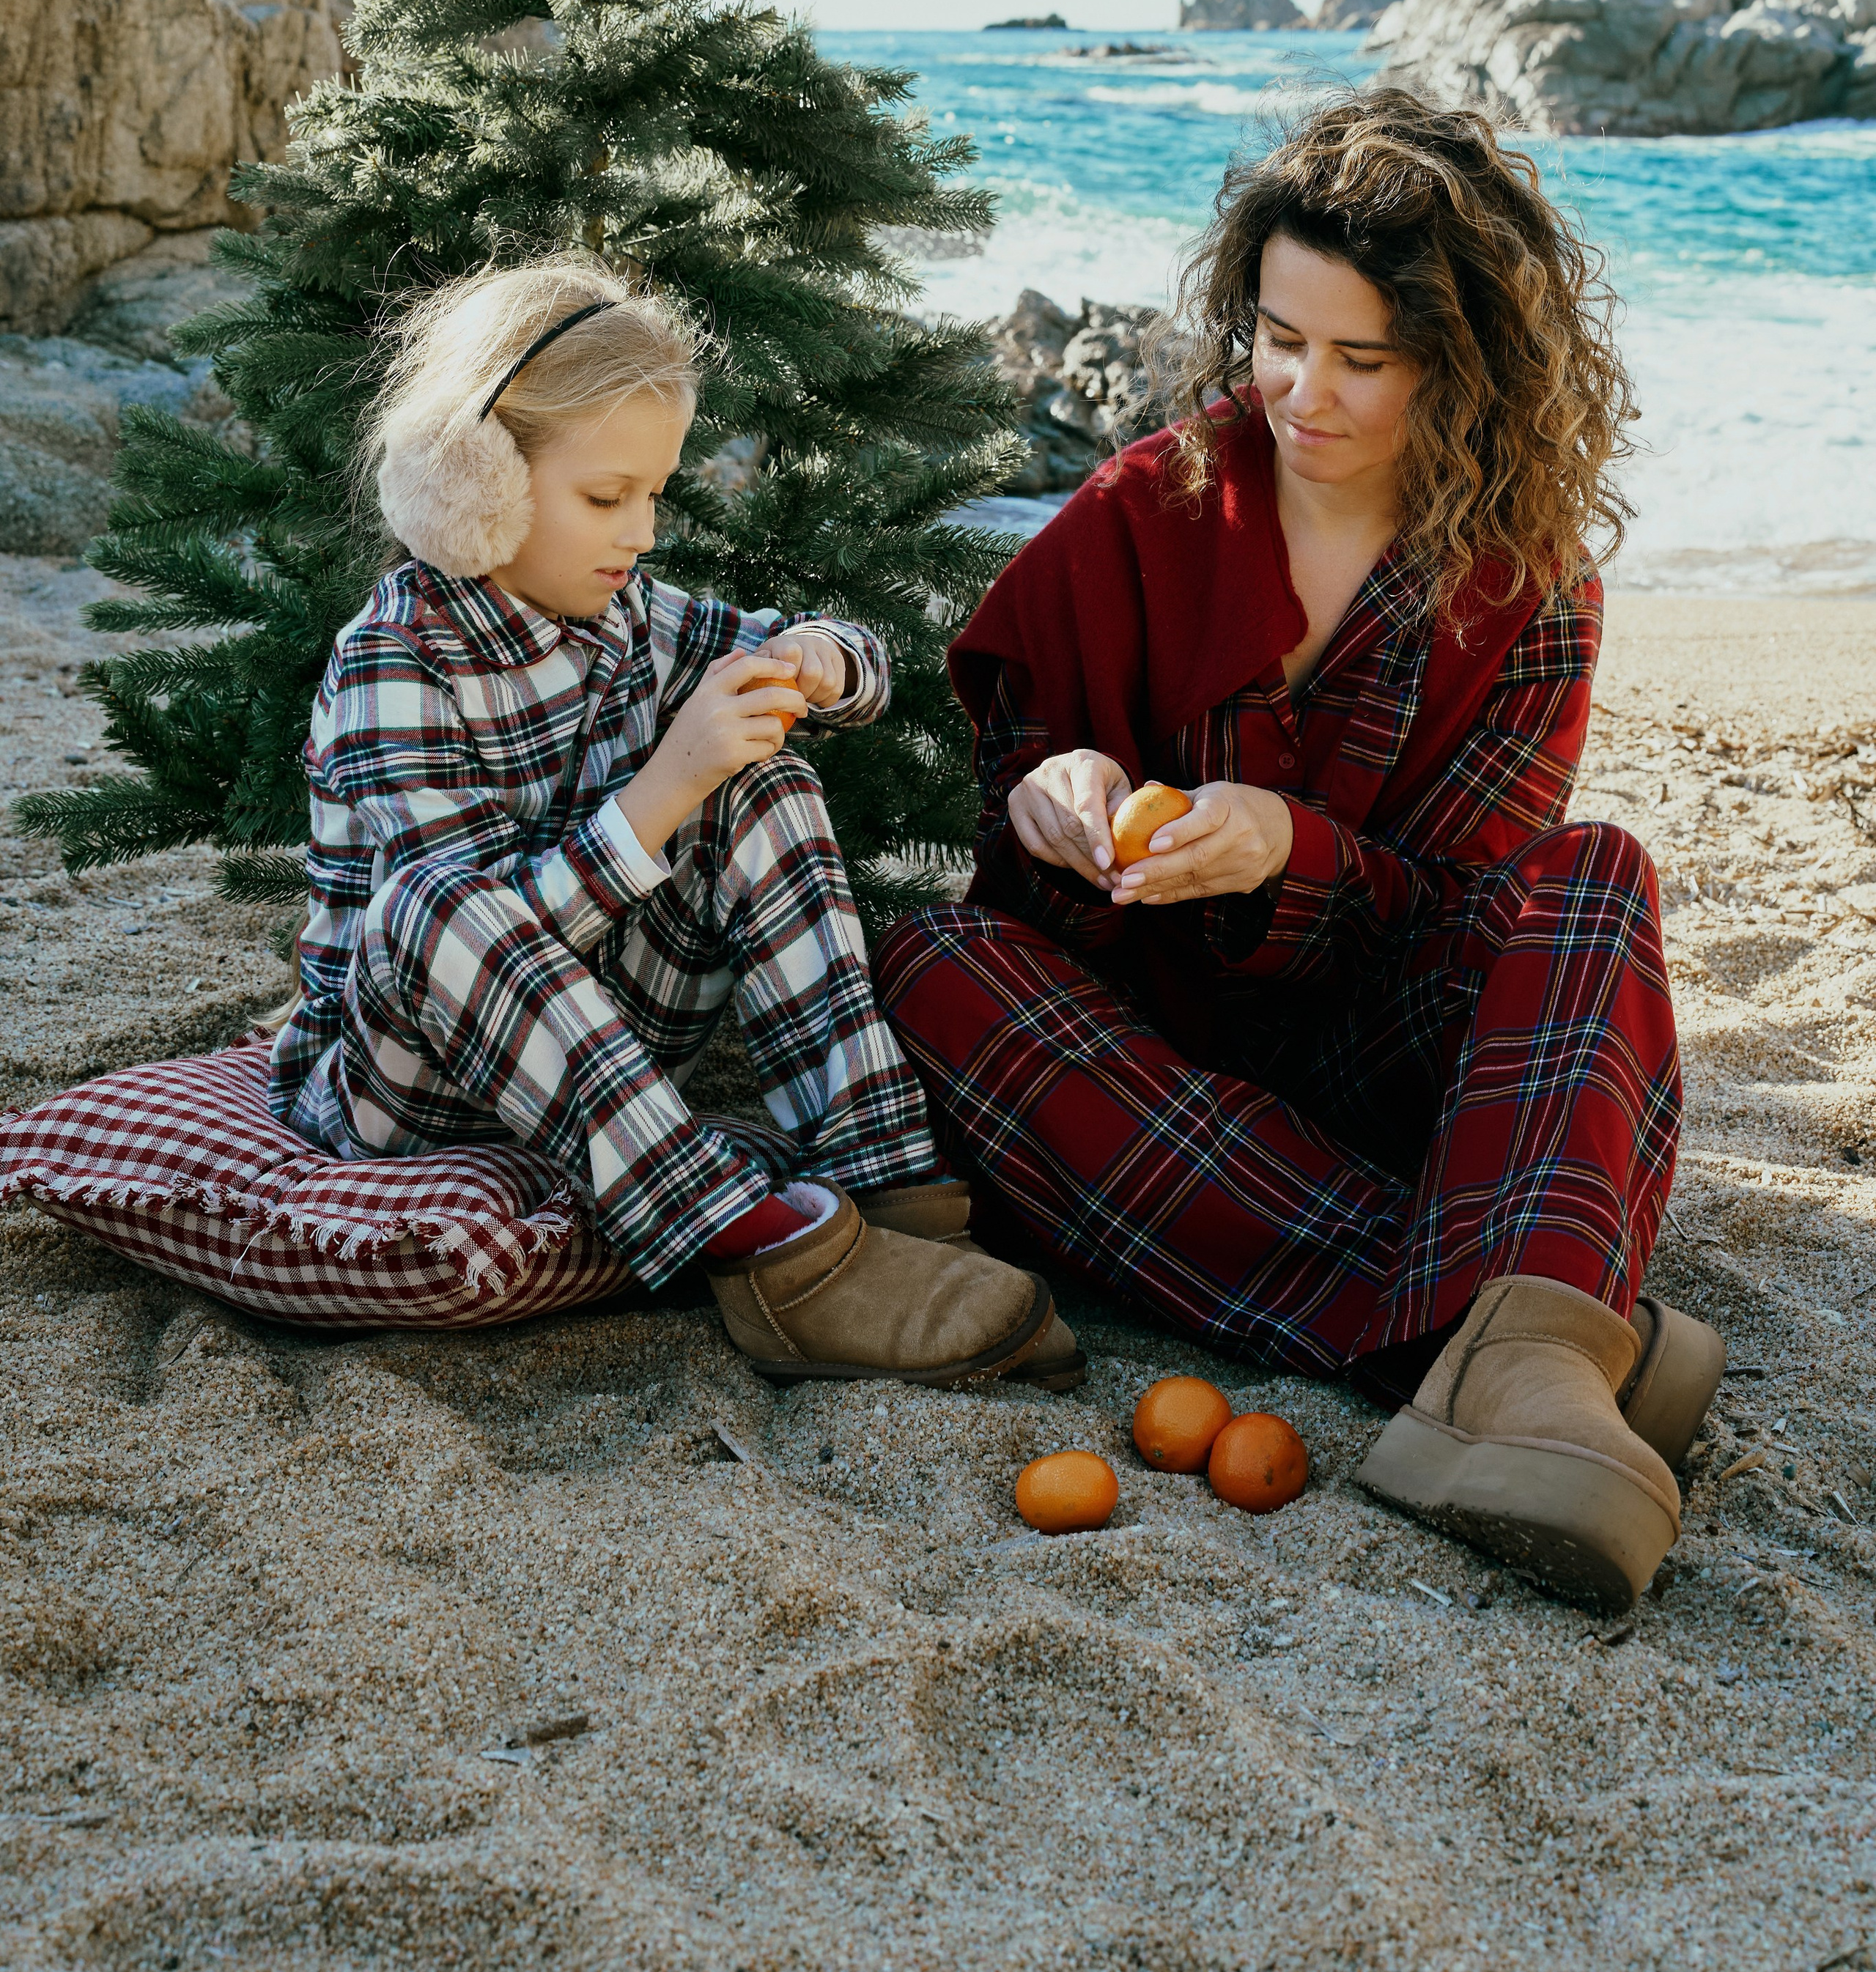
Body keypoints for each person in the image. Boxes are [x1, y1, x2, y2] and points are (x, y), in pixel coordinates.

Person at [876, 94, 1725, 1607]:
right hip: (1141, 1067)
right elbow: (1016, 784)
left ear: (1461, 367)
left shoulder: (1525, 583)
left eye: (1360, 359)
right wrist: (1048, 794)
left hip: (1369, 1065)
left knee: (1592, 877)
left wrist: (1288, 849)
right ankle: (1512, 1338)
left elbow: (1464, 915)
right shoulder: (1144, 505)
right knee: (927, 962)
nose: (1298, 393)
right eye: (1275, 338)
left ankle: (1508, 1342)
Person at [270, 256, 1077, 1389]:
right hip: (407, 1088)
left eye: (654, 492)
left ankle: (897, 1197)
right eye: (608, 498)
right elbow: (459, 945)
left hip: (610, 1055)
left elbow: (867, 673)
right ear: (473, 479)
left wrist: (815, 661)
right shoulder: (394, 660)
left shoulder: (635, 617)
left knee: (767, 781)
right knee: (438, 900)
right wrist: (659, 795)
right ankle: (759, 1247)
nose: (643, 531)